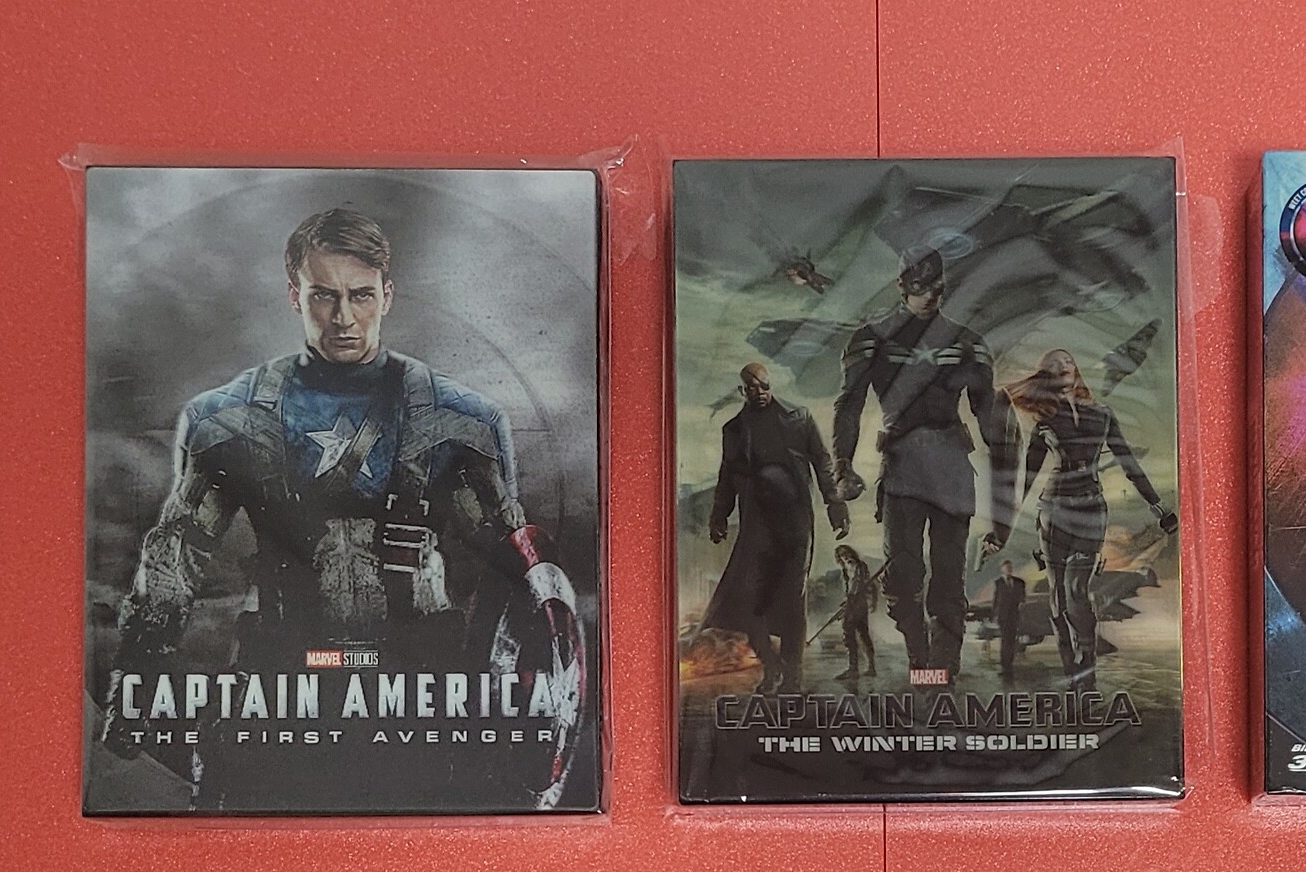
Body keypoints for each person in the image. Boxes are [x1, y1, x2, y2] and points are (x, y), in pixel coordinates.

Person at [101, 207, 586, 810]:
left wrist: (530, 702)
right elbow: (176, 556)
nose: (344, 317)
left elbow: (519, 576)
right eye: (323, 296)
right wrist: (136, 680)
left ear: (387, 294)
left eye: (360, 295)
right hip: (281, 687)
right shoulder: (230, 419)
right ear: (294, 296)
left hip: (420, 692)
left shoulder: (460, 421)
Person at [832, 246, 1014, 685]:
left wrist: (1003, 494)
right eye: (919, 288)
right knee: (901, 581)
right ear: (901, 286)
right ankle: (921, 660)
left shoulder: (966, 341)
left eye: (936, 288)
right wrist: (842, 464)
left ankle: (941, 672)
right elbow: (849, 405)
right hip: (903, 471)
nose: (928, 296)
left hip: (951, 470)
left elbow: (989, 417)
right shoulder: (872, 338)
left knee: (948, 581)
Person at [999, 349, 1177, 692]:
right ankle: (1072, 670)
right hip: (1054, 511)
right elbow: (1028, 477)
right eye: (1053, 365)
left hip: (1091, 509)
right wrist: (1003, 524)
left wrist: (1158, 507)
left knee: (1077, 590)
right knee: (1058, 597)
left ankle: (1087, 672)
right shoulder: (1045, 421)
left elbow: (1128, 463)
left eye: (1067, 361)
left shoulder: (1102, 414)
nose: (1063, 367)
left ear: (1075, 369)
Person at [705, 363, 849, 694]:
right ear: (742, 390)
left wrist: (835, 504)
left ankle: (792, 675)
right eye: (752, 388)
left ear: (771, 385)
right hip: (757, 527)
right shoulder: (734, 429)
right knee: (750, 602)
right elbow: (727, 476)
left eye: (764, 386)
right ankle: (772, 667)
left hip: (795, 524)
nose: (759, 393)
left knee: (793, 600)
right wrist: (719, 516)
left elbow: (822, 462)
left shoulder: (799, 417)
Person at [833, 544, 878, 680]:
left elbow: (865, 585)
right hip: (852, 602)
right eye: (842, 555)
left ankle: (857, 669)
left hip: (858, 603)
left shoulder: (860, 566)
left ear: (852, 553)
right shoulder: (845, 570)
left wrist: (873, 600)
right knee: (859, 634)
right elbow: (849, 588)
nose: (845, 556)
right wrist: (846, 602)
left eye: (847, 553)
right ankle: (862, 668)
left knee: (853, 633)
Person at [991, 558, 1027, 676]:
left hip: (1014, 616)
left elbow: (1022, 597)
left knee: (1011, 640)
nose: (1009, 570)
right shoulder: (998, 583)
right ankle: (1005, 665)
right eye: (1006, 568)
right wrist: (994, 615)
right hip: (1003, 617)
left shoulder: (1019, 582)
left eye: (1010, 568)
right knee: (1005, 640)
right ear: (1002, 569)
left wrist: (1022, 602)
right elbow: (996, 600)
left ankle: (1009, 665)